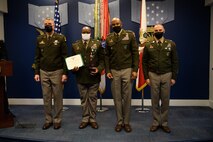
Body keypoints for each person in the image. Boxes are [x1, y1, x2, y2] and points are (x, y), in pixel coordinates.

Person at [142, 24, 179, 133]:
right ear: (153, 32)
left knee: (165, 100)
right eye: (156, 30)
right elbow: (144, 62)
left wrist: (174, 77)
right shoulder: (148, 45)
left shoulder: (170, 44)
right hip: (153, 75)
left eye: (160, 30)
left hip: (167, 74)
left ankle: (164, 123)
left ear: (164, 31)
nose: (158, 31)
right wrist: (146, 77)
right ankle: (155, 122)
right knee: (154, 100)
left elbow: (175, 61)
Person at [105, 18, 139, 133]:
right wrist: (108, 70)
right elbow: (106, 56)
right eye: (113, 24)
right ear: (111, 25)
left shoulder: (129, 35)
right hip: (114, 71)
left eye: (117, 24)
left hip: (127, 70)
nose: (115, 25)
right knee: (117, 98)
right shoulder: (109, 38)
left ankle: (126, 122)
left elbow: (135, 53)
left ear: (121, 24)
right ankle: (119, 122)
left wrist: (135, 70)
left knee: (127, 97)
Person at [34, 18, 68, 130]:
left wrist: (64, 73)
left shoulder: (60, 38)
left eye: (50, 24)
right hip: (43, 71)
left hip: (57, 71)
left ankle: (57, 120)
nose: (48, 25)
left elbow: (64, 57)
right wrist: (36, 72)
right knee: (46, 97)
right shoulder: (40, 39)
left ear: (54, 26)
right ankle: (48, 120)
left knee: (58, 97)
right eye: (46, 24)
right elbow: (37, 57)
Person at [71, 26, 105, 129]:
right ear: (81, 32)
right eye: (84, 32)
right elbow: (72, 61)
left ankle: (93, 119)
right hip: (81, 76)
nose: (85, 33)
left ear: (91, 33)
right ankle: (85, 119)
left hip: (93, 77)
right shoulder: (75, 45)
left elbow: (102, 61)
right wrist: (73, 68)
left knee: (93, 99)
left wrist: (98, 69)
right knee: (84, 99)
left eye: (87, 32)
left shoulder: (97, 44)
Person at [0, 40, 11, 115]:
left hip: (0, 73)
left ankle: (5, 112)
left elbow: (5, 57)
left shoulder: (0, 44)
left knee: (2, 92)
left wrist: (3, 60)